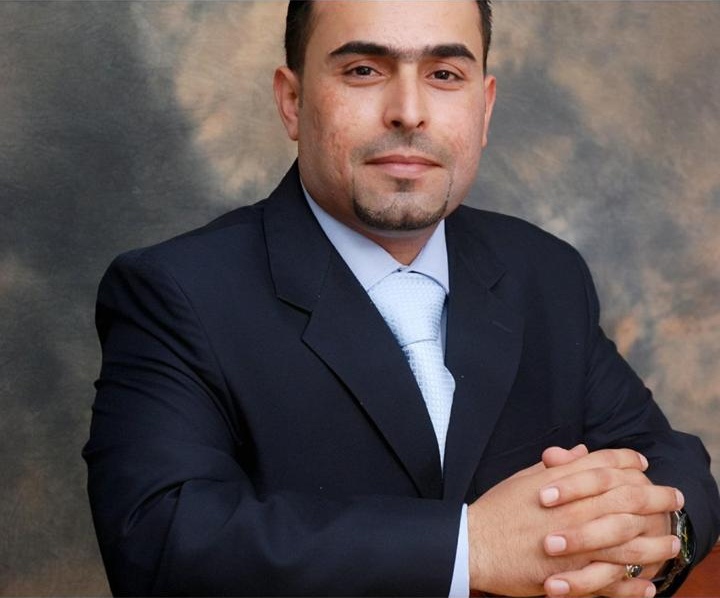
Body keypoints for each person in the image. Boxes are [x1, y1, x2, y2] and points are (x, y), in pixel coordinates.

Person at [83, 1, 720, 596]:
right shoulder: (176, 291)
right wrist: (473, 547)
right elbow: (161, 540)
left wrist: (650, 543)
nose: (409, 112)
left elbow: (668, 459)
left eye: (444, 74)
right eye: (364, 70)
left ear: (484, 108)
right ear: (292, 102)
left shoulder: (544, 270)